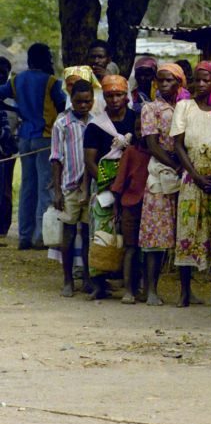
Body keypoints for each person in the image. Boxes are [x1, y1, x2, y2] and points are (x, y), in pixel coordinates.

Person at [172, 61, 211, 307]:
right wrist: (196, 176)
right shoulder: (184, 107)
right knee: (187, 232)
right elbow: (177, 144)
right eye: (196, 80)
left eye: (206, 80)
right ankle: (184, 291)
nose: (200, 84)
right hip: (192, 176)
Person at [0, 43, 65, 249]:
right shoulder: (51, 81)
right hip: (45, 137)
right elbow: (63, 105)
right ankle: (40, 237)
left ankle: (24, 236)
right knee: (45, 185)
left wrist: (16, 110)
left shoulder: (16, 80)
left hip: (24, 137)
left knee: (27, 187)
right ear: (46, 58)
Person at [82, 75, 136, 300]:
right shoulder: (95, 126)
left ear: (126, 96)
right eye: (110, 95)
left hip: (133, 183)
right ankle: (98, 283)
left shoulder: (136, 119)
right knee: (101, 234)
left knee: (131, 236)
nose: (114, 99)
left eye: (119, 95)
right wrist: (110, 184)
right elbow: (90, 161)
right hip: (105, 185)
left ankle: (131, 283)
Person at [139, 63, 187, 307]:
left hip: (184, 172)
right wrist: (175, 164)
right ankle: (151, 290)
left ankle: (185, 291)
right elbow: (152, 144)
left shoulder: (186, 106)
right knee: (155, 237)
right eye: (161, 80)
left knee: (183, 234)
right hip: (161, 172)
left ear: (179, 83)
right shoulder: (151, 108)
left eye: (170, 81)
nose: (165, 84)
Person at [50, 79, 94, 296]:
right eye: (79, 102)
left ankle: (87, 277)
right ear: (72, 100)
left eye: (87, 102)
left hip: (91, 187)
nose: (83, 106)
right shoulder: (62, 124)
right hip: (69, 186)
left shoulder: (95, 122)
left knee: (87, 234)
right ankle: (68, 279)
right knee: (68, 233)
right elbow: (56, 158)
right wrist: (57, 190)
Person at [110, 114, 150, 304]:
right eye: (137, 129)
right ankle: (129, 290)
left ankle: (146, 289)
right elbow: (120, 182)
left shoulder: (156, 154)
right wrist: (116, 207)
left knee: (148, 251)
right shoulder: (131, 152)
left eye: (144, 129)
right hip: (131, 206)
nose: (140, 133)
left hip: (151, 206)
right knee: (131, 248)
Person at [0, 57, 16, 239]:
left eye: (3, 73)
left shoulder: (13, 98)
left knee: (5, 189)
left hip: (8, 151)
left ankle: (3, 227)